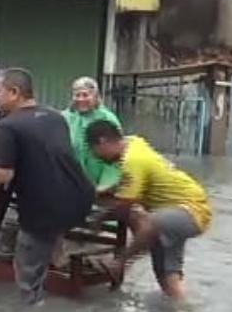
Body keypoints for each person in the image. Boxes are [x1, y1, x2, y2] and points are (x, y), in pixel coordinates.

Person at [0, 68, 94, 304]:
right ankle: (52, 257)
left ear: (14, 92)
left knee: (26, 276)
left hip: (45, 209)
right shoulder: (55, 117)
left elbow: (2, 174)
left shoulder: (8, 126)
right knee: (40, 242)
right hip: (80, 199)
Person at [86, 121, 212, 300]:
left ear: (103, 141)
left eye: (94, 150)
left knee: (147, 222)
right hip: (175, 211)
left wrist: (99, 219)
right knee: (165, 274)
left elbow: (124, 206)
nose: (95, 156)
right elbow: (130, 184)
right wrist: (107, 193)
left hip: (191, 209)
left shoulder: (133, 160)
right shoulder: (133, 142)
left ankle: (120, 262)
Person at [62, 76, 122, 192]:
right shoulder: (67, 117)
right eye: (77, 95)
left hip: (101, 184)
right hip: (73, 183)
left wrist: (105, 185)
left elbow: (116, 155)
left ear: (95, 96)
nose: (81, 99)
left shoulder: (106, 118)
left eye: (85, 95)